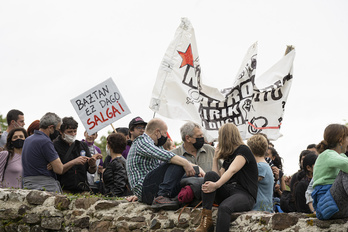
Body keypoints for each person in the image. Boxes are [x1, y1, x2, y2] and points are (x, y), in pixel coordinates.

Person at [126, 118, 203, 209]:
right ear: (157, 132)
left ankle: (191, 197)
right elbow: (168, 156)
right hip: (145, 189)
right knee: (179, 162)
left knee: (193, 177)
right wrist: (185, 163)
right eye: (164, 133)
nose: (166, 136)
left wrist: (197, 169)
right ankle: (162, 196)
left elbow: (171, 158)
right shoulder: (142, 140)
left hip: (151, 188)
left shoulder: (157, 145)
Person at [195, 123, 258, 232]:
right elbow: (217, 176)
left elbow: (232, 170)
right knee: (210, 175)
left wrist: (215, 185)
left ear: (225, 136)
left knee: (224, 208)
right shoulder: (229, 156)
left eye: (220, 136)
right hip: (229, 191)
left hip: (245, 194)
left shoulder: (243, 150)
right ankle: (206, 219)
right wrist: (215, 158)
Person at [53, 117, 100, 193]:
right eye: (69, 132)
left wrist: (93, 165)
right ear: (61, 132)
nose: (73, 134)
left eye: (75, 131)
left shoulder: (82, 145)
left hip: (82, 189)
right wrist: (74, 162)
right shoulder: (54, 145)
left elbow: (91, 171)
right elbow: (58, 170)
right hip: (63, 189)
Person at [312, 124, 348, 220]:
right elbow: (346, 165)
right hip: (328, 204)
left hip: (337, 205)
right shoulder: (327, 154)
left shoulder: (341, 156)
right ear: (340, 140)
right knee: (345, 171)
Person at [22, 112, 64, 192]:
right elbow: (59, 169)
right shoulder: (45, 141)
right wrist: (54, 163)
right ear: (51, 128)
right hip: (45, 186)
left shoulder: (28, 140)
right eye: (57, 129)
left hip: (28, 185)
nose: (58, 133)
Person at [247, 134, 274, 212]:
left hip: (260, 209)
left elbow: (247, 183)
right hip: (263, 208)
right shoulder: (264, 165)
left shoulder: (260, 166)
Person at [103, 133, 132, 197]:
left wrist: (110, 198)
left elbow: (119, 187)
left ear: (109, 146)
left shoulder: (117, 163)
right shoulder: (122, 161)